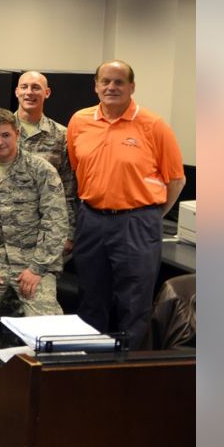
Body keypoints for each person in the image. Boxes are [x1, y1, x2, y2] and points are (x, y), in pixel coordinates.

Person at [66, 61, 185, 349]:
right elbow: (76, 166)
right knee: (91, 298)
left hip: (137, 223)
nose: (111, 87)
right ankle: (89, 365)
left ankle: (128, 373)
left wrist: (149, 215)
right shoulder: (79, 121)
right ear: (95, 86)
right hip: (91, 220)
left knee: (133, 303)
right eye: (105, 81)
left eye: (119, 82)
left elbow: (176, 180)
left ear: (132, 87)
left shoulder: (153, 126)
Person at [0, 109, 68, 369]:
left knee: (47, 331)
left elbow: (56, 223)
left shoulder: (41, 170)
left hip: (33, 261)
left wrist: (37, 268)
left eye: (6, 135)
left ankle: (28, 369)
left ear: (17, 134)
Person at [13, 71, 79, 269]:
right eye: (24, 87)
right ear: (17, 91)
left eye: (36, 88)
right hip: (3, 233)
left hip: (44, 233)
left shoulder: (61, 136)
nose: (29, 92)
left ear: (47, 92)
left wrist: (69, 234)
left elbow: (68, 189)